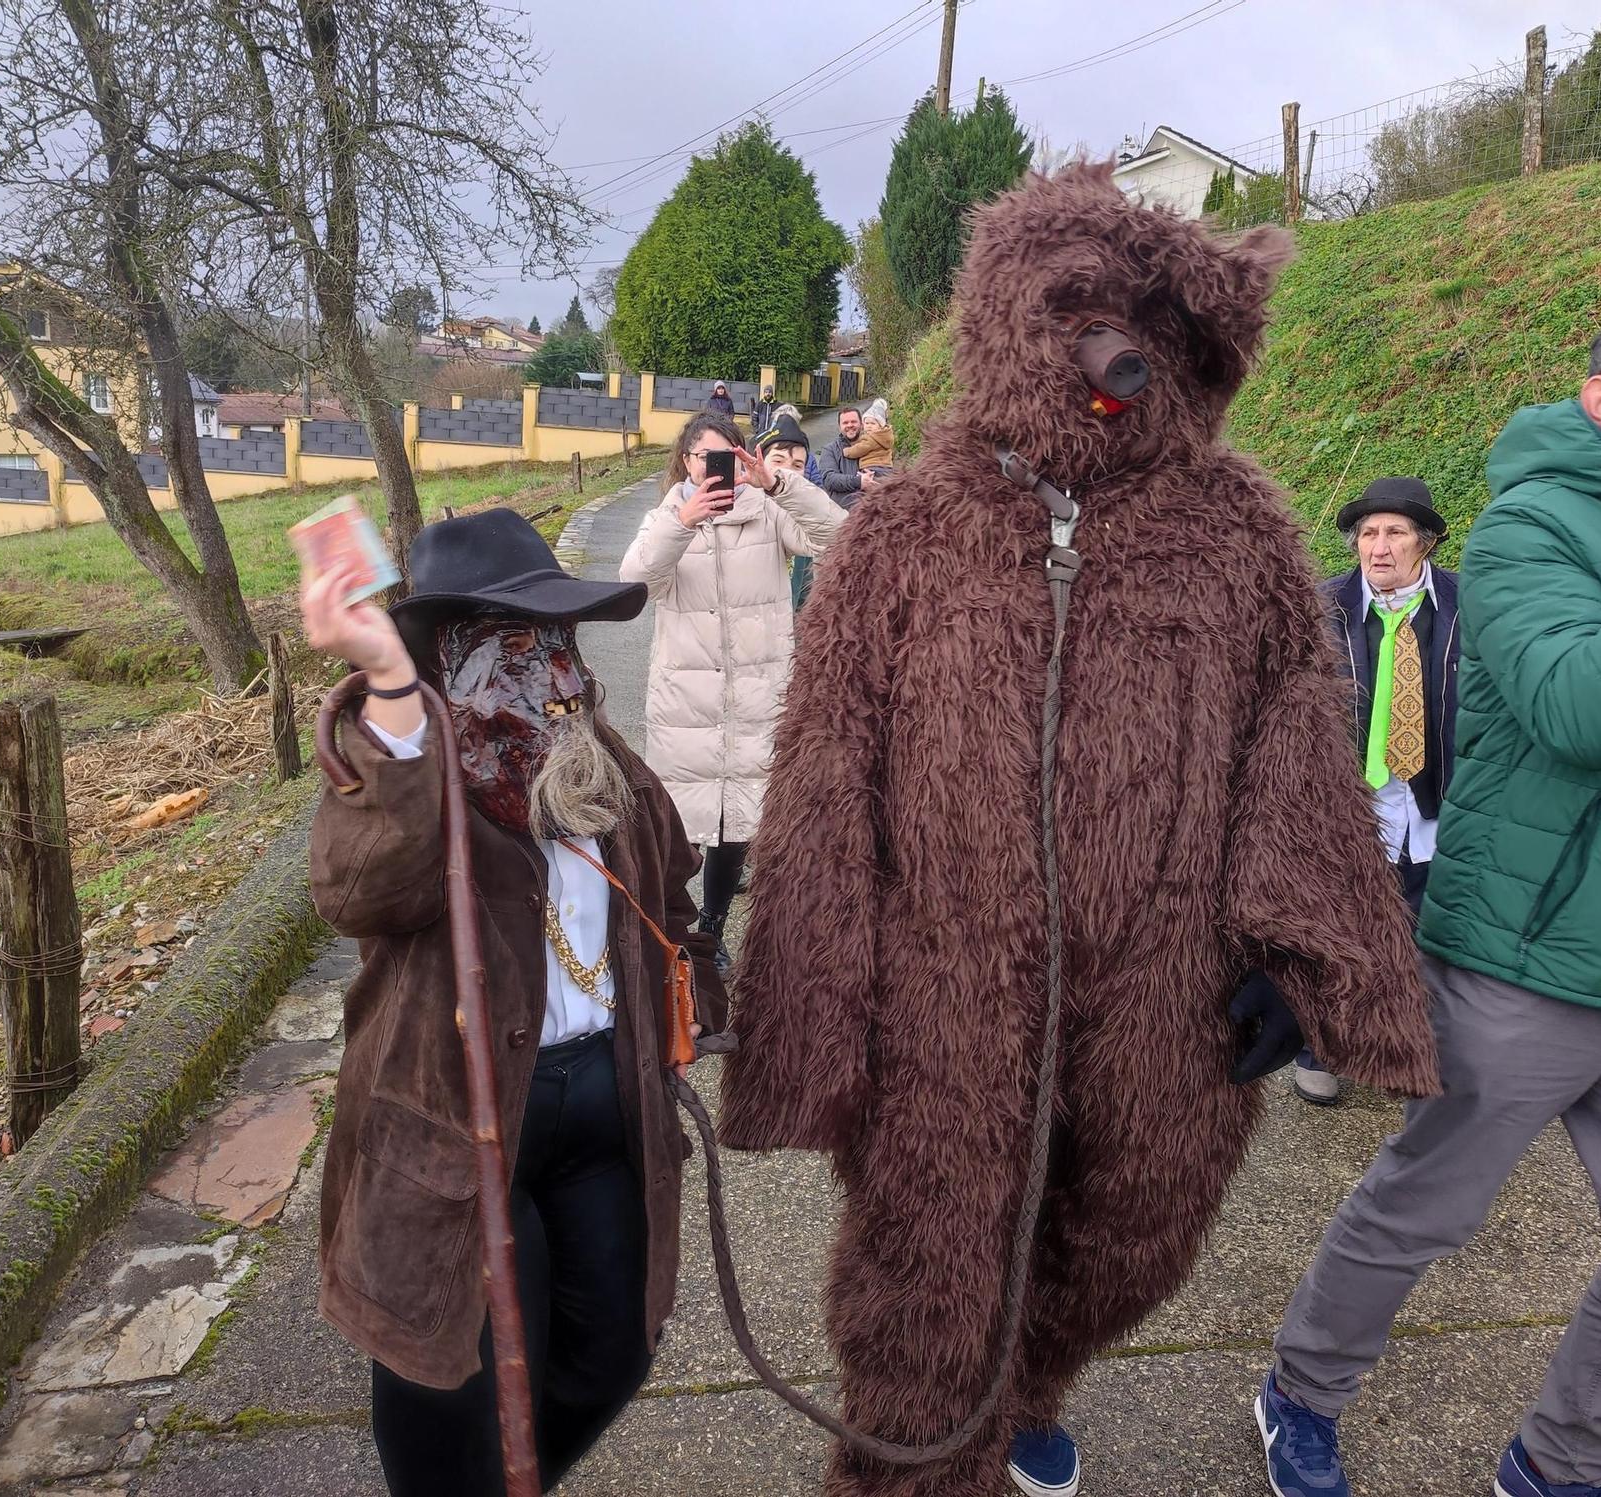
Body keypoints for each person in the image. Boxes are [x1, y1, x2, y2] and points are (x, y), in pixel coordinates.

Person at [718, 165, 1438, 1497]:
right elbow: (823, 773)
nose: (1120, 353)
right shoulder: (909, 534)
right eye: (1089, 317)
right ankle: (932, 1453)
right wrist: (817, 1007)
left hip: (1160, 998)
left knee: (1132, 1238)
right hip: (942, 999)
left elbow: (1292, 736)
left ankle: (1027, 1384)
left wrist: (1303, 951)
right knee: (923, 1301)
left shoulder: (1235, 532)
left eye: (1155, 328)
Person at [1258, 291, 1601, 1497]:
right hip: (1528, 959)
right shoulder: (1528, 534)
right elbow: (1585, 707)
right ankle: (1299, 1388)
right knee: (1420, 1212)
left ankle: (1560, 1461)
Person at [300, 507, 728, 1496]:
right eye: (507, 644)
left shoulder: (605, 772)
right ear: (445, 657)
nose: (546, 673)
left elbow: (669, 900)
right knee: (453, 1377)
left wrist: (692, 1003)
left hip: (605, 1114)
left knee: (611, 1351)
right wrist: (395, 693)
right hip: (456, 1126)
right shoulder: (407, 764)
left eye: (555, 641)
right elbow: (361, 889)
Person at [619, 412, 842, 973]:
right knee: (679, 825)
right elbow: (632, 588)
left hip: (759, 695)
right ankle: (676, 931)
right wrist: (682, 523)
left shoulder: (769, 511)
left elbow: (841, 536)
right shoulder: (668, 515)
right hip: (686, 700)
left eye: (727, 458)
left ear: (744, 459)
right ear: (687, 463)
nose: (713, 469)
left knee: (737, 822)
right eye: (703, 459)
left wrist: (778, 484)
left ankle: (713, 927)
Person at [1293, 478, 1460, 1106]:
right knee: (1341, 932)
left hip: (1434, 802)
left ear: (1427, 543)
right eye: (1368, 533)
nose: (1378, 548)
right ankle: (1320, 1048)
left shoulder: (1462, 604)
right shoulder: (1320, 607)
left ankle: (1400, 1051)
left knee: (1423, 932)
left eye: (1394, 533)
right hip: (1347, 806)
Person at [814, 404, 874, 509]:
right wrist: (858, 481)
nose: (850, 425)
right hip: (841, 514)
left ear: (861, 424)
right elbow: (829, 479)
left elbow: (887, 473)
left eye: (853, 421)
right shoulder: (830, 450)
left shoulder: (874, 445)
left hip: (871, 513)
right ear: (839, 427)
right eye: (845, 423)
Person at [841, 396, 896, 472]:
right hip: (886, 467)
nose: (869, 425)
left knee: (859, 480)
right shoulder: (884, 436)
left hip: (873, 467)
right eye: (867, 423)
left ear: (880, 426)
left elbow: (859, 449)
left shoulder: (872, 438)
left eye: (873, 423)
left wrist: (846, 451)